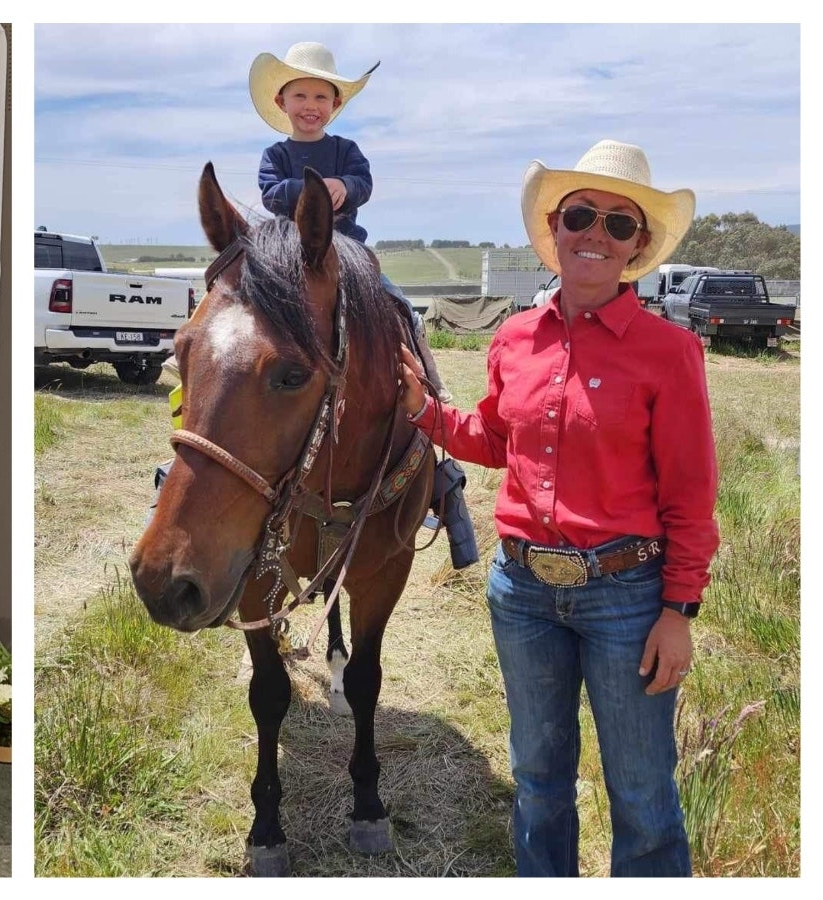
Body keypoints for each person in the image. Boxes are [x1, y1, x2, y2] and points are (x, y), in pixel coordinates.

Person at [398, 140, 717, 877]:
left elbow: (691, 497)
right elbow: (492, 439)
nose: (595, 235)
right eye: (581, 215)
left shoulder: (668, 352)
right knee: (538, 780)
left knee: (640, 791)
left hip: (627, 599)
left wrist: (679, 612)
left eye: (618, 224)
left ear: (638, 246)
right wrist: (423, 409)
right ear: (556, 226)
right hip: (522, 594)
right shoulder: (514, 338)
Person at [250, 41, 451, 401]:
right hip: (289, 253)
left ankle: (428, 375)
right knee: (243, 298)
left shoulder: (346, 150)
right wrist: (313, 190)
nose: (310, 106)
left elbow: (364, 184)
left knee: (400, 304)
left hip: (348, 251)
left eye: (320, 97)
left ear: (335, 104)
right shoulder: (274, 155)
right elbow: (270, 193)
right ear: (282, 102)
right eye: (300, 95)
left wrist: (344, 184)